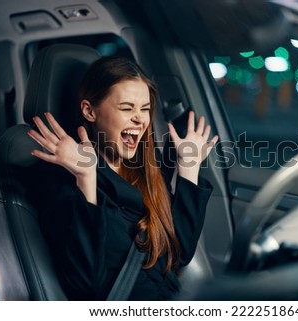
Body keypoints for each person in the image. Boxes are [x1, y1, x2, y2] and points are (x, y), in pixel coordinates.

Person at [27, 56, 218, 300]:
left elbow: (178, 255)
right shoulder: (61, 177)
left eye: (145, 109)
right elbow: (85, 284)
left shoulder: (144, 170)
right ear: (89, 110)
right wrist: (86, 178)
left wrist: (189, 168)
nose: (140, 119)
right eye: (127, 108)